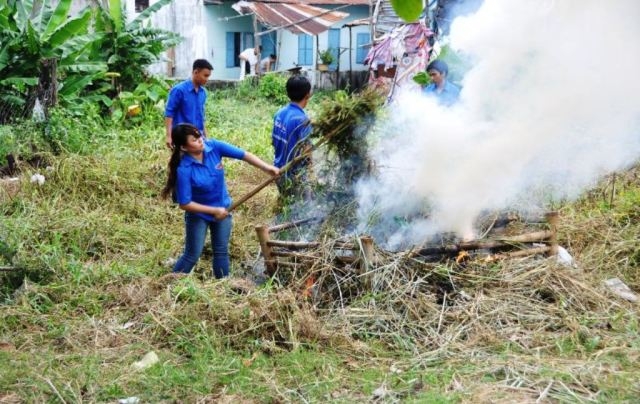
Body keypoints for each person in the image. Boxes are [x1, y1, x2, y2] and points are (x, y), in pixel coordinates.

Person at [161, 123, 279, 278]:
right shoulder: (184, 169)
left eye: (199, 135)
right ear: (183, 147)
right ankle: (171, 282)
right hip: (198, 215)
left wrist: (267, 168)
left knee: (221, 251)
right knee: (192, 254)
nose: (201, 140)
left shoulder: (214, 147)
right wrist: (213, 211)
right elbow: (185, 203)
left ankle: (223, 285)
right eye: (194, 140)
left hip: (223, 209)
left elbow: (244, 155)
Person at [271, 75, 313, 199]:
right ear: (307, 95)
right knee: (302, 211)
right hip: (295, 176)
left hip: (278, 171)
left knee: (287, 204)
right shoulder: (302, 120)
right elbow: (307, 151)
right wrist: (312, 173)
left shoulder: (279, 113)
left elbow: (274, 141)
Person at [164, 59, 213, 149]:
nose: (207, 79)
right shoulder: (179, 90)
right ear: (196, 72)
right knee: (180, 161)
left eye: (208, 76)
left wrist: (205, 136)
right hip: (181, 136)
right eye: (205, 76)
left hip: (197, 137)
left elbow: (201, 116)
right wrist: (168, 136)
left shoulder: (203, 92)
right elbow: (169, 113)